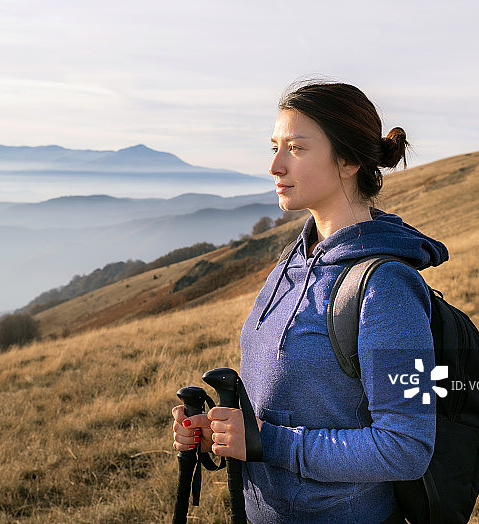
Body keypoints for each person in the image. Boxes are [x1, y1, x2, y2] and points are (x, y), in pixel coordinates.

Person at [172, 80, 448, 523]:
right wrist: (221, 434)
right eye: (274, 146)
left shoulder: (387, 289)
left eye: (296, 148)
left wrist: (266, 442)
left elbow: (406, 448)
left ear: (349, 160)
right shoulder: (292, 262)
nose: (274, 166)